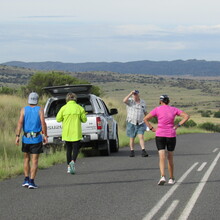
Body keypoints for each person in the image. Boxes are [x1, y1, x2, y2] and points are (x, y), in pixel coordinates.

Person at [144, 95, 189, 185]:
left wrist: (152, 128)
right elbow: (186, 116)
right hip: (171, 135)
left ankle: (162, 176)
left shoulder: (157, 109)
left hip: (160, 134)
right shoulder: (174, 109)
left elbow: (145, 119)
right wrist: (177, 125)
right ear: (168, 101)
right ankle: (171, 178)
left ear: (160, 101)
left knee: (161, 157)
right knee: (170, 157)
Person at [15, 92, 48, 189]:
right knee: (35, 160)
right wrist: (45, 135)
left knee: (26, 159)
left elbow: (20, 123)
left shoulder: (24, 109)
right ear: (37, 100)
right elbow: (43, 123)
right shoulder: (40, 110)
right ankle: (32, 182)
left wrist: (17, 136)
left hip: (26, 138)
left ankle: (26, 179)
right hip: (36, 139)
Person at [56, 93, 87, 174]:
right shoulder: (79, 108)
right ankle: (73, 161)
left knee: (69, 149)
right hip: (76, 132)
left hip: (66, 132)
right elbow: (84, 120)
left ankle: (69, 167)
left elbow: (58, 119)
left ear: (67, 99)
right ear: (75, 99)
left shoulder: (63, 108)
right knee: (76, 149)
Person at [123, 90, 148, 157]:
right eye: (133, 94)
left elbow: (145, 112)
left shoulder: (142, 102)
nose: (134, 95)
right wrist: (130, 93)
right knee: (132, 137)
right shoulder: (130, 101)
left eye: (136, 94)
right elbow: (124, 100)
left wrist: (147, 119)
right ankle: (132, 151)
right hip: (131, 122)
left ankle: (143, 150)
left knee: (141, 136)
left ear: (138, 95)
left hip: (140, 122)